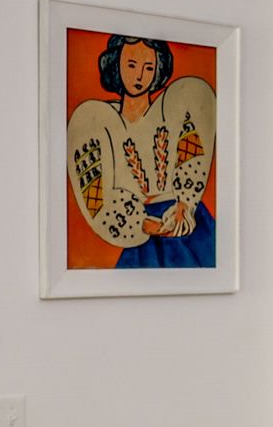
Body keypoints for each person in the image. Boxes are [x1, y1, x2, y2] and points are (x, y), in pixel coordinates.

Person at [66, 32, 220, 269]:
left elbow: (193, 157)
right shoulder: (97, 121)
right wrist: (144, 223)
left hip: (186, 222)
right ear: (115, 64)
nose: (139, 75)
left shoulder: (177, 106)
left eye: (148, 68)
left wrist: (183, 207)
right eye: (131, 64)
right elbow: (97, 198)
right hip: (138, 228)